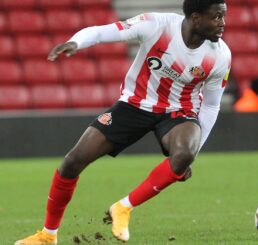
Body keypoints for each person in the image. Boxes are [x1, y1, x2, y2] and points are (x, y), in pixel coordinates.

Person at [15, 0, 231, 244]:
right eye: (216, 17)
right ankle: (48, 235)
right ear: (195, 17)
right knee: (72, 162)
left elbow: (211, 105)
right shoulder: (155, 25)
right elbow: (99, 32)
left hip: (180, 111)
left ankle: (123, 208)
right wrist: (76, 42)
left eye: (223, 17)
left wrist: (195, 153)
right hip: (134, 104)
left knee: (183, 155)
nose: (223, 23)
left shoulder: (220, 55)